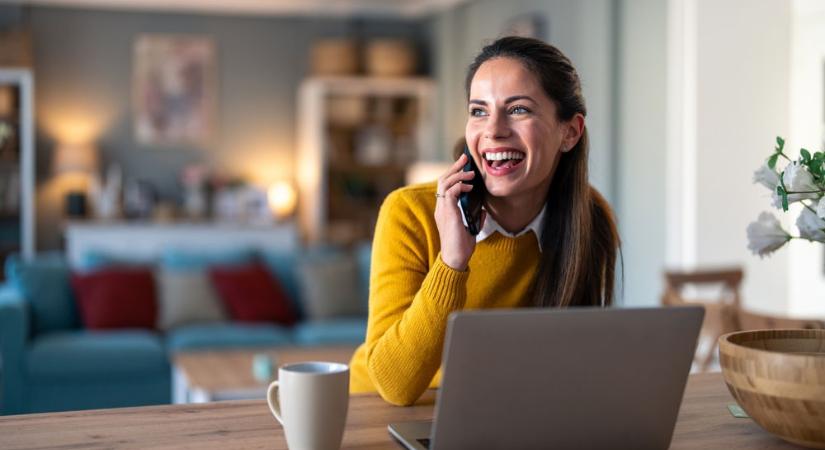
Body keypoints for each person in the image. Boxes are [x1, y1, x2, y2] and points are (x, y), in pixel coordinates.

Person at [348, 36, 620, 406]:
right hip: (377, 413)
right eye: (478, 111)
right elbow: (396, 386)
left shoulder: (590, 218)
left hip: (496, 410)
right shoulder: (409, 212)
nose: (493, 130)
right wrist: (452, 261)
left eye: (518, 110)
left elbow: (574, 360)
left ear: (569, 132)